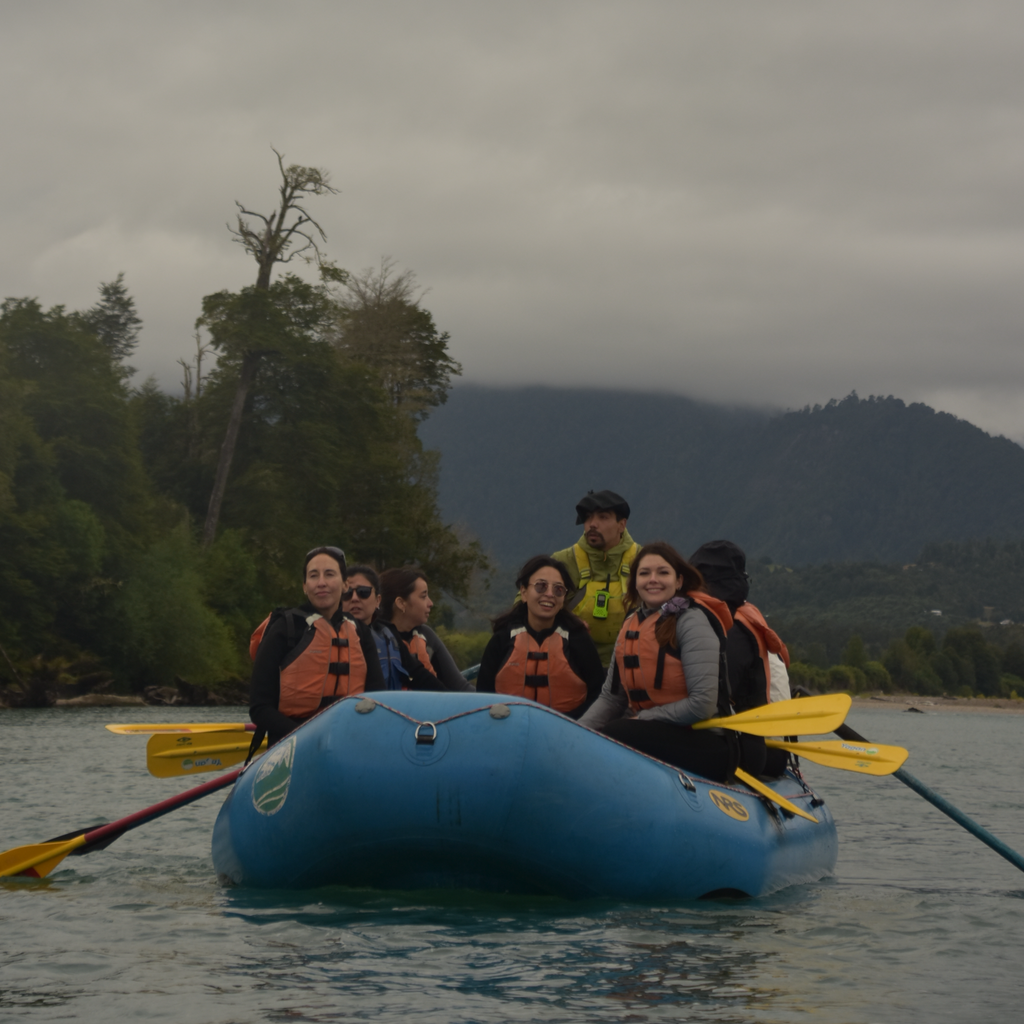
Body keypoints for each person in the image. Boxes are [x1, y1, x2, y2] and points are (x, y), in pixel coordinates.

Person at [579, 541, 739, 782]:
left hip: (706, 741)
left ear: (679, 581)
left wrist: (641, 719)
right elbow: (611, 698)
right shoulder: (631, 623)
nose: (653, 579)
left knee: (617, 732)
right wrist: (575, 732)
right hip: (651, 730)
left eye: (663, 572)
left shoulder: (691, 620)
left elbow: (702, 705)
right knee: (604, 730)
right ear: (635, 582)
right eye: (644, 573)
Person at [249, 546, 385, 748]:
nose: (321, 583)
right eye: (313, 576)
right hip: (293, 746)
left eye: (329, 574)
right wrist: (310, 738)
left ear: (345, 584)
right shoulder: (285, 628)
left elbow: (377, 699)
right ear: (305, 586)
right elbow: (259, 708)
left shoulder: (359, 632)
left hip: (348, 742)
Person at [690, 539, 792, 776]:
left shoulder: (731, 631)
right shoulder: (744, 617)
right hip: (760, 742)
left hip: (754, 749)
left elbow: (713, 698)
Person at [477, 555, 605, 718]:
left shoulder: (578, 639)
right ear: (524, 592)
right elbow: (483, 695)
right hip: (509, 728)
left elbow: (598, 695)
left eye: (558, 589)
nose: (550, 594)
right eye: (541, 587)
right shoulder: (502, 639)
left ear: (563, 598)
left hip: (568, 731)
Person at [549, 489, 640, 667]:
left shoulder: (645, 561)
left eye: (603, 517)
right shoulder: (561, 562)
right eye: (589, 517)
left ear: (622, 525)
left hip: (633, 666)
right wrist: (564, 623)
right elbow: (525, 607)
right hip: (572, 664)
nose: (592, 524)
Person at [378, 567, 473, 691]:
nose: (430, 603)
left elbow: (459, 687)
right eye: (423, 597)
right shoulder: (373, 636)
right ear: (401, 603)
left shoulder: (426, 635)